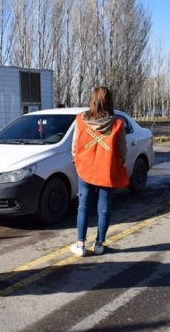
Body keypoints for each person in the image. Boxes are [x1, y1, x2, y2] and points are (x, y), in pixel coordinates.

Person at [70, 86, 129, 256]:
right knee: (104, 208)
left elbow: (75, 145)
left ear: (93, 101)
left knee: (83, 206)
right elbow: (122, 150)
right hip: (107, 169)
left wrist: (77, 161)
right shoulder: (117, 123)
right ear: (109, 102)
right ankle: (99, 244)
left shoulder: (81, 120)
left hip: (85, 169)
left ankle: (80, 244)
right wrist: (119, 163)